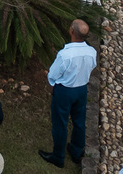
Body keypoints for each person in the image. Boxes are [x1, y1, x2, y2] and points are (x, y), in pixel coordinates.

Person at [40, 20, 96, 168]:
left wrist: (53, 84)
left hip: (65, 91)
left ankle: (58, 157)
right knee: (79, 121)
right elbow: (92, 67)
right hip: (82, 90)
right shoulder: (92, 52)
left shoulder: (65, 55)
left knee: (60, 123)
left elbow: (53, 74)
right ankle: (77, 151)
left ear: (71, 31)